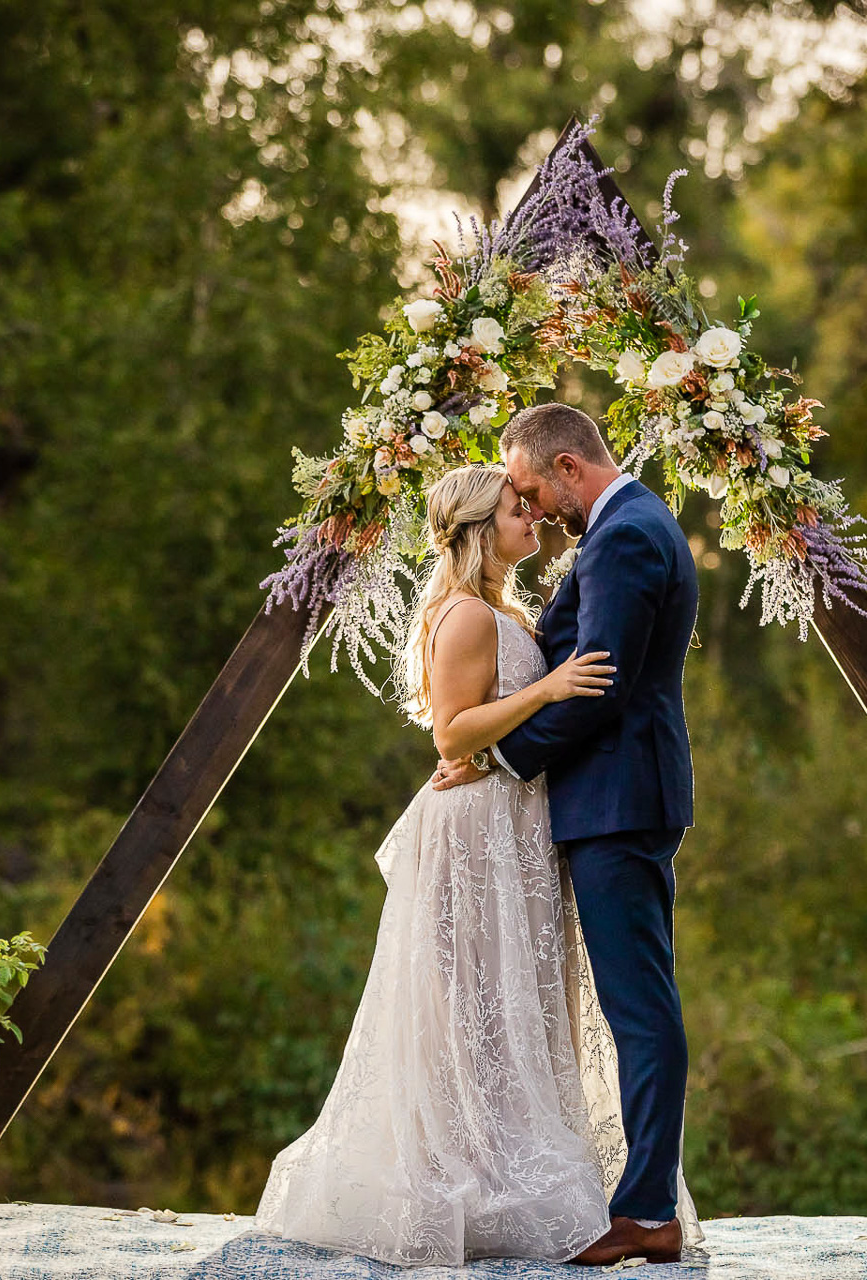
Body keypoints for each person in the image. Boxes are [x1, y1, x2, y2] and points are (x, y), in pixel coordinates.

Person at [255, 464, 639, 1265]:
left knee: (506, 995)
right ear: (475, 528)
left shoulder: (502, 609)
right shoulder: (465, 615)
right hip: (475, 833)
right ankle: (464, 1168)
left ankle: (504, 1151)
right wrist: (550, 689)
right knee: (471, 994)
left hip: (511, 823)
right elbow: (452, 736)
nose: (530, 516)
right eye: (513, 509)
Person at [434, 402, 702, 1267]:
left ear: (566, 469)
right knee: (631, 1000)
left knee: (637, 1004)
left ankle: (649, 1209)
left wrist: (502, 758)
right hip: (618, 798)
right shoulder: (630, 521)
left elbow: (602, 686)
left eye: (528, 489)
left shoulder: (624, 533)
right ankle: (639, 1201)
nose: (533, 508)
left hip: (619, 801)